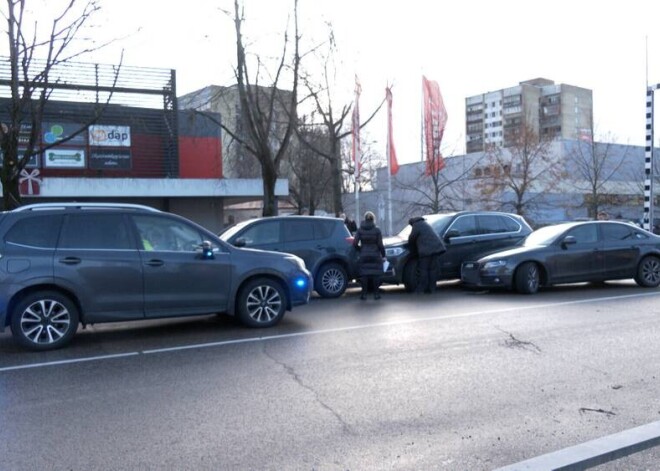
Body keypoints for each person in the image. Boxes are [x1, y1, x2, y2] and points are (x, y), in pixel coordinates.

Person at [408, 216, 446, 294]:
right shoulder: (425, 224)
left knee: (423, 270)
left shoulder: (416, 225)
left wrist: (412, 250)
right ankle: (432, 288)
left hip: (426, 251)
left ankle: (421, 288)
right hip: (435, 249)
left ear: (412, 223)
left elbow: (412, 238)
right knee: (432, 270)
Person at [352, 211, 386, 300]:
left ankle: (364, 294)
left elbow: (355, 243)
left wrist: (360, 250)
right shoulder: (377, 230)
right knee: (375, 275)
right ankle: (376, 294)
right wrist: (383, 255)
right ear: (373, 219)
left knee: (364, 275)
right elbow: (380, 244)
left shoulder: (360, 230)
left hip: (364, 254)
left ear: (365, 219)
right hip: (375, 254)